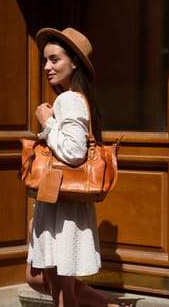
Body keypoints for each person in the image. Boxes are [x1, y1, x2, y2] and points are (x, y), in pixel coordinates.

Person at [25, 27, 133, 307]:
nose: (47, 67)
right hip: (59, 203)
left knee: (61, 293)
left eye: (54, 59)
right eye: (45, 61)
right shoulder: (73, 98)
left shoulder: (69, 99)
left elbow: (73, 153)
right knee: (48, 283)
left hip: (63, 208)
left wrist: (47, 121)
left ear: (75, 62)